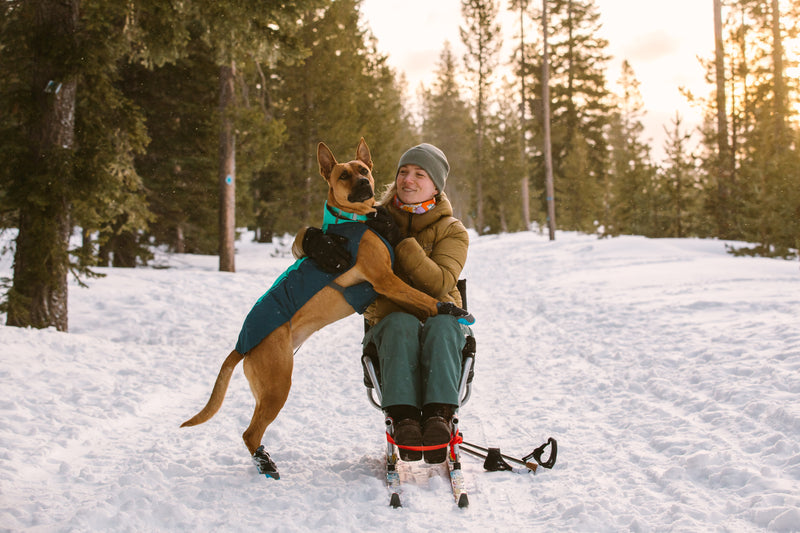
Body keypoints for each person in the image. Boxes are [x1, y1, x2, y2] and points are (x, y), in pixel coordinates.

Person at [298, 143, 470, 464]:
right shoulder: (369, 212)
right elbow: (332, 228)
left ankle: (439, 419)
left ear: (436, 185)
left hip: (440, 318)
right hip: (388, 324)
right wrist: (308, 242)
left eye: (420, 174)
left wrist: (400, 241)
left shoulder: (453, 230)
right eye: (403, 172)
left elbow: (440, 284)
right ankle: (403, 421)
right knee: (399, 323)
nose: (408, 180)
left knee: (444, 325)